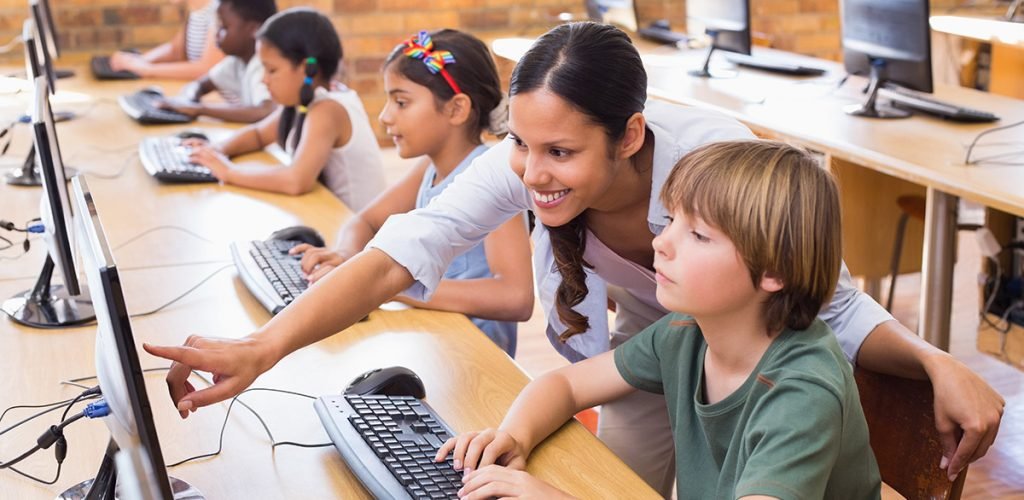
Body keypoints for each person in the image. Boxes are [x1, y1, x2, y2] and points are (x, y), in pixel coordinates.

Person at [144, 22, 1002, 494]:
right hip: (672, 358)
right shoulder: (670, 328)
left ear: (631, 136)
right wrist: (263, 351)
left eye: (559, 152)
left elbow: (829, 302)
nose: (530, 172)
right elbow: (402, 254)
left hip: (743, 360)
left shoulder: (717, 172)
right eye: (521, 144)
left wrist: (932, 362)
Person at [440, 139, 881, 499]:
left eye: (699, 235)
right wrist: (513, 438)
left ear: (775, 272)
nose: (662, 244)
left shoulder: (801, 392)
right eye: (671, 220)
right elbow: (566, 384)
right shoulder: (689, 332)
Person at [292, 29, 532, 356]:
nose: (385, 116)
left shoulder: (491, 178)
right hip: (433, 339)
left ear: (456, 109)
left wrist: (391, 287)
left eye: (401, 102)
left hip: (475, 358)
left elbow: (515, 297)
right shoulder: (430, 167)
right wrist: (348, 258)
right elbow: (365, 221)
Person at [181, 8, 386, 211]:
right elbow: (259, 134)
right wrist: (217, 149)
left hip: (357, 233)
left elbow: (296, 181)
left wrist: (229, 172)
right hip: (330, 216)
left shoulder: (328, 109)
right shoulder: (305, 98)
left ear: (306, 69)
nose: (264, 79)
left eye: (272, 70)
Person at [157, 0, 278, 123]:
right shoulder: (236, 62)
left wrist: (199, 109)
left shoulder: (263, 65)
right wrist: (188, 100)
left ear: (254, 29)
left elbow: (265, 111)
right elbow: (200, 84)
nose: (216, 35)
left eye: (224, 27)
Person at [108, 0, 224, 80]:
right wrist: (140, 60)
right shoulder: (197, 10)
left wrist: (147, 69)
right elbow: (175, 51)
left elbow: (206, 70)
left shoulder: (220, 11)